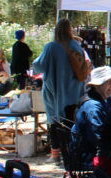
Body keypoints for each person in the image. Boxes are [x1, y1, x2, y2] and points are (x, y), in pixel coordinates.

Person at [33, 19, 91, 158]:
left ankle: (56, 154)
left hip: (55, 93)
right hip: (75, 92)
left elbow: (38, 66)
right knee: (72, 121)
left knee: (54, 122)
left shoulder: (51, 47)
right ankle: (72, 152)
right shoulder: (76, 46)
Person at [70, 66, 111, 167]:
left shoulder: (106, 100)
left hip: (99, 153)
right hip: (89, 158)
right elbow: (100, 137)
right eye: (109, 82)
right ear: (97, 85)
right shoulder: (93, 106)